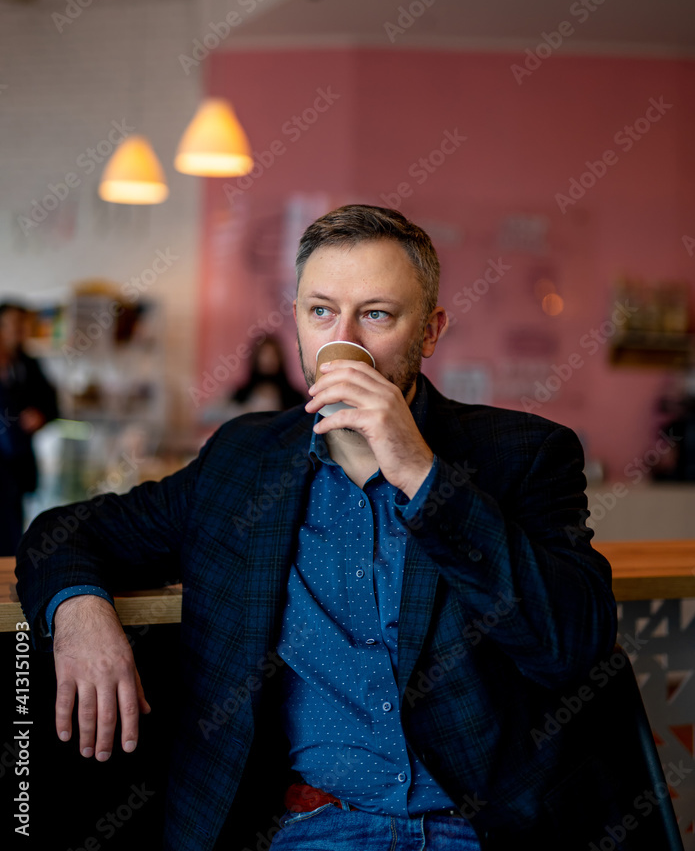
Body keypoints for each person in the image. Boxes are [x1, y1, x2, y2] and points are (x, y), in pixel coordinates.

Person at [16, 206, 618, 851]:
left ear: (432, 331)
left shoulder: (523, 454)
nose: (345, 341)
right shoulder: (243, 462)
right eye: (321, 311)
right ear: (297, 321)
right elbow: (68, 531)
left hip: (481, 829)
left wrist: (421, 473)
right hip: (312, 826)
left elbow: (572, 646)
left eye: (377, 314)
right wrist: (78, 612)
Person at [0, 301, 59, 554]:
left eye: (24, 324)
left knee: (12, 534)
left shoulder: (28, 364)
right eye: (14, 324)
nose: (20, 330)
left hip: (17, 465)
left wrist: (40, 415)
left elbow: (52, 404)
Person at [230, 335, 306, 413]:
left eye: (272, 355)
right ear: (256, 359)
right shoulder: (240, 394)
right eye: (264, 355)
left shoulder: (293, 396)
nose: (268, 360)